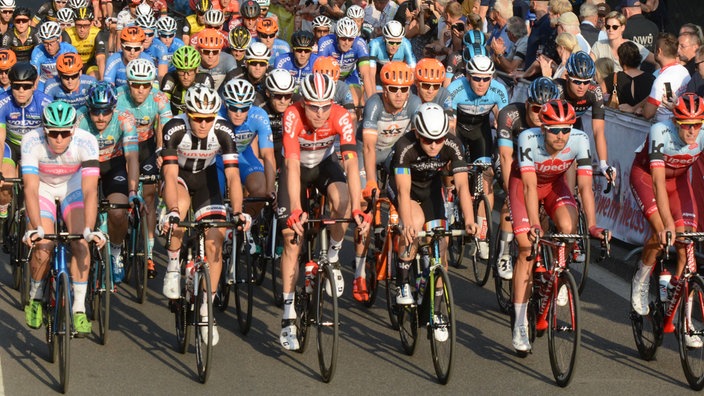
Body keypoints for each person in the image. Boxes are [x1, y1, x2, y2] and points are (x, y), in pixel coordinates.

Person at [278, 73, 369, 350]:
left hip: (324, 164)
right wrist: (295, 209)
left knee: (341, 200)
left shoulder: (341, 117)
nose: (319, 113)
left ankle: (332, 256)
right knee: (291, 241)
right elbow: (292, 167)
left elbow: (351, 165)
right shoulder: (292, 115)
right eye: (313, 106)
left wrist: (356, 207)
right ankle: (287, 314)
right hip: (296, 171)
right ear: (303, 102)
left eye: (325, 106)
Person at [509, 99, 605, 352]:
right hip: (524, 186)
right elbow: (529, 187)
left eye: (566, 129)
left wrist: (593, 225)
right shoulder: (528, 138)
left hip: (554, 185)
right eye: (555, 130)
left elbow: (584, 187)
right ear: (544, 128)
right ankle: (519, 323)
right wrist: (533, 224)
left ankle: (557, 275)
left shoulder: (580, 139)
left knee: (567, 226)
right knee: (526, 248)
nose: (561, 136)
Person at [160, 84, 251, 346]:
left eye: (208, 118)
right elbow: (168, 173)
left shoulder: (223, 129)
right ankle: (173, 266)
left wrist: (237, 212)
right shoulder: (175, 128)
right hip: (179, 177)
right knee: (179, 215)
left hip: (207, 178)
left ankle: (205, 313)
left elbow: (232, 175)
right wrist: (173, 211)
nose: (203, 124)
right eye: (197, 118)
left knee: (215, 243)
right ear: (188, 113)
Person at [21, 100, 105, 335]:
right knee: (43, 244)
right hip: (43, 188)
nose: (59, 139)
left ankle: (78, 308)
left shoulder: (87, 141)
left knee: (80, 241)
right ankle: (36, 295)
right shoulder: (31, 141)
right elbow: (29, 188)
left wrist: (89, 229)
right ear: (45, 130)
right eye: (54, 133)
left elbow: (90, 191)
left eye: (64, 133)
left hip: (73, 187)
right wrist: (35, 227)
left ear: (73, 131)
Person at [629, 93, 704, 349]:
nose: (693, 131)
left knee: (687, 245)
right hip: (648, 179)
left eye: (698, 124)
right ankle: (641, 278)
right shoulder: (661, 131)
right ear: (676, 121)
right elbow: (658, 182)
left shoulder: (702, 134)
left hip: (679, 182)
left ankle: (685, 320)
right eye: (687, 125)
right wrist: (666, 223)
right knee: (662, 233)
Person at [388, 102, 477, 313]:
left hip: (429, 190)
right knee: (415, 225)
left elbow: (463, 186)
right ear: (418, 133)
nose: (434, 145)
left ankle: (435, 311)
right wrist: (407, 222)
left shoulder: (453, 145)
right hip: (404, 189)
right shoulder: (405, 146)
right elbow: (402, 191)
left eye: (439, 140)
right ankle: (402, 283)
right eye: (428, 139)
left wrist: (471, 219)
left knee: (442, 242)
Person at [354, 61, 420, 302]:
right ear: (384, 88)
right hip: (367, 152)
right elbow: (369, 148)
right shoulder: (374, 105)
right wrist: (371, 181)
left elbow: (416, 142)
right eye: (393, 89)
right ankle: (360, 271)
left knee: (402, 195)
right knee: (365, 205)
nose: (400, 94)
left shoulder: (414, 103)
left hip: (393, 153)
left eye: (404, 89)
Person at [75, 81, 139, 283]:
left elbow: (132, 158)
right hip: (86, 164)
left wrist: (132, 190)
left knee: (118, 211)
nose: (100, 117)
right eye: (95, 112)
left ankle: (116, 251)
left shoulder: (124, 119)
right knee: (82, 207)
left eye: (105, 112)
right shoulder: (80, 118)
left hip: (114, 164)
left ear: (113, 108)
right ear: (89, 109)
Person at [448, 54, 508, 260]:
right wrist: (455, 158)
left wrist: (501, 154)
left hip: (479, 130)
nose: (481, 83)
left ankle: (482, 235)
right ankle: (450, 203)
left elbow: (504, 128)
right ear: (467, 75)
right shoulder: (455, 88)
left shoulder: (499, 90)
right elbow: (450, 128)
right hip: (458, 129)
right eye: (476, 78)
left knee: (486, 176)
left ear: (491, 77)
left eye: (486, 78)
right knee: (455, 169)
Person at [116, 59, 172, 279]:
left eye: (145, 85)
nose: (140, 90)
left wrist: (162, 152)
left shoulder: (159, 98)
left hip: (146, 146)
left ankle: (148, 253)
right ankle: (117, 249)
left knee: (148, 195)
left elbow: (167, 129)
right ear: (128, 83)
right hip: (121, 147)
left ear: (152, 85)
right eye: (135, 85)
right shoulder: (118, 97)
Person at [0, 63, 52, 227]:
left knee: (37, 184)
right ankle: (4, 214)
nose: (21, 91)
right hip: (11, 145)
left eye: (26, 86)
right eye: (16, 86)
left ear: (35, 85)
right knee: (6, 182)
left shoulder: (45, 103)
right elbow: (0, 139)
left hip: (35, 146)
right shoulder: (3, 102)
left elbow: (51, 138)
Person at [554, 51, 612, 181]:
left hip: (575, 126)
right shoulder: (557, 90)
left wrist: (603, 163)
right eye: (576, 81)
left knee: (582, 175)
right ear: (567, 77)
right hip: (554, 129)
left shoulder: (594, 91)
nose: (581, 87)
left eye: (586, 82)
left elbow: (598, 131)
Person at [317, 17, 375, 105]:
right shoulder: (326, 42)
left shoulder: (359, 44)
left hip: (350, 75)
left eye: (350, 39)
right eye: (343, 38)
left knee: (355, 102)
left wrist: (372, 102)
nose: (347, 42)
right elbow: (319, 71)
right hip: (329, 77)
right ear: (337, 36)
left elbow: (366, 74)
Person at [255, 68, 299, 168]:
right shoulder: (257, 103)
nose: (283, 101)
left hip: (284, 143)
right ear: (268, 93)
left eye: (287, 96)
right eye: (278, 96)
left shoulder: (297, 102)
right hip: (261, 143)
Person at [642, 33, 692, 123]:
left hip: (662, 130)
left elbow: (648, 114)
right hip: (679, 125)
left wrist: (640, 110)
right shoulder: (684, 71)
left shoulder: (661, 80)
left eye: (655, 50)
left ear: (659, 51)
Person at [589, 11, 654, 73]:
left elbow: (656, 60)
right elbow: (589, 67)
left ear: (622, 28)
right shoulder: (598, 45)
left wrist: (655, 76)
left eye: (615, 27)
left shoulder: (632, 47)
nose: (610, 30)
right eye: (608, 27)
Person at [161, 45, 215, 115]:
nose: (186, 77)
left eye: (190, 71)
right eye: (181, 72)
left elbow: (210, 109)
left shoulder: (205, 80)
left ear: (197, 70)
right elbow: (162, 109)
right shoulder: (170, 78)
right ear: (176, 70)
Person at [603, 41, 654, 114]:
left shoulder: (613, 78)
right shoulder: (651, 79)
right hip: (644, 122)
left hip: (618, 121)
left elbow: (597, 95)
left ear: (620, 60)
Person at [368, 20, 417, 89]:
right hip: (378, 71)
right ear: (384, 39)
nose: (394, 46)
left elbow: (413, 70)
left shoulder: (406, 44)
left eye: (398, 43)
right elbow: (371, 74)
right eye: (391, 42)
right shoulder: (375, 44)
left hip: (398, 71)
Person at [30, 21, 77, 91]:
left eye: (52, 42)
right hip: (43, 82)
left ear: (59, 39)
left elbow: (77, 74)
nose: (49, 47)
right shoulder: (37, 51)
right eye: (45, 43)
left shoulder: (69, 49)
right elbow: (35, 76)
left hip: (63, 82)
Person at [63, 7, 109, 80]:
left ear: (91, 24)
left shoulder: (96, 33)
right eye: (79, 25)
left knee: (94, 76)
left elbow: (101, 58)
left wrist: (102, 80)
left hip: (89, 63)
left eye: (85, 25)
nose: (82, 29)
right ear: (74, 24)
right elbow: (66, 57)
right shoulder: (67, 33)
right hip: (72, 63)